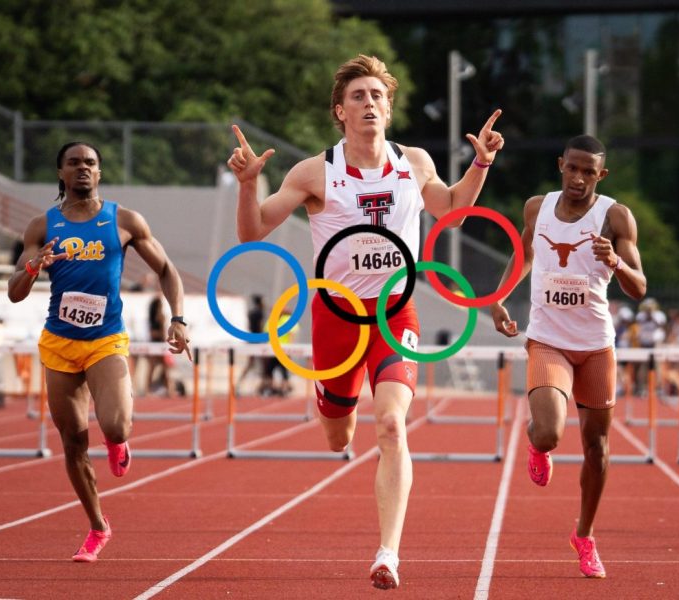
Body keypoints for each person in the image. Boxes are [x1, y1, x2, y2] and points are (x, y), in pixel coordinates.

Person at [227, 54, 503, 589]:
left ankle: (388, 553)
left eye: (378, 95)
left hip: (395, 312)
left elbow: (450, 208)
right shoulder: (313, 172)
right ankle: (335, 405)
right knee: (338, 437)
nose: (370, 103)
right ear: (341, 111)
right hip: (335, 317)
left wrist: (481, 163)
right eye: (359, 96)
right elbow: (252, 233)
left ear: (389, 108)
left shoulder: (415, 161)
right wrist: (247, 185)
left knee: (392, 423)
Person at [7, 141, 191, 562]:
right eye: (74, 163)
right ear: (61, 173)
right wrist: (34, 267)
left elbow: (165, 269)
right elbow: (16, 291)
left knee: (117, 427)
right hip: (59, 343)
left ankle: (117, 441)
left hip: (106, 340)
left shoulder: (123, 220)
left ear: (100, 173)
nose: (83, 169)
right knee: (72, 440)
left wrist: (177, 318)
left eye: (90, 163)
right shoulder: (42, 226)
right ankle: (97, 527)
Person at [491, 135, 646, 579]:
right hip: (548, 339)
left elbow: (639, 288)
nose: (578, 178)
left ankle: (584, 536)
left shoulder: (615, 216)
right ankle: (535, 440)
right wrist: (501, 296)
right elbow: (523, 253)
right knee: (547, 435)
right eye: (572, 168)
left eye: (588, 172)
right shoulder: (537, 207)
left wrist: (615, 261)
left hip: (596, 344)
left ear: (602, 175)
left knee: (596, 447)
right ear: (561, 164)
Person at [260, 308, 298, 396]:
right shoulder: (271, 321)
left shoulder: (286, 320)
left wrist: (289, 350)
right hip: (272, 351)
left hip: (283, 351)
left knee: (283, 371)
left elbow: (291, 335)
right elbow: (266, 335)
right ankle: (273, 388)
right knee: (270, 370)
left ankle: (284, 388)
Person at [237, 294, 265, 396]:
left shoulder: (250, 312)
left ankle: (239, 384)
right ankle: (263, 387)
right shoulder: (260, 313)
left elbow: (249, 326)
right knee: (263, 364)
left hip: (251, 338)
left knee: (250, 364)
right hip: (257, 340)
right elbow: (260, 327)